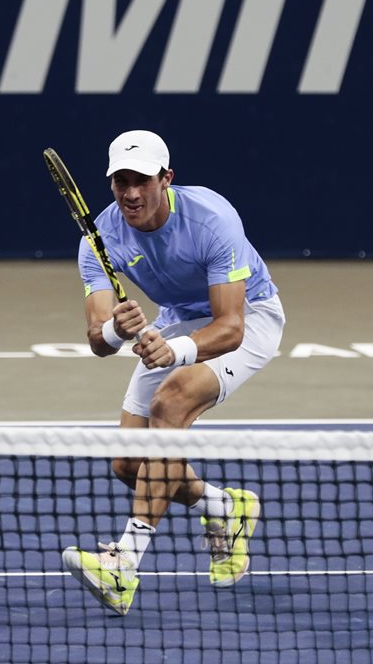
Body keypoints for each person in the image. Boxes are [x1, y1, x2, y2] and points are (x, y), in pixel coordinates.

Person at [61, 129, 285, 615]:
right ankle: (225, 509)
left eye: (142, 180)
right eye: (121, 181)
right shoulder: (99, 239)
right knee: (129, 465)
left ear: (166, 179)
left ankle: (123, 565)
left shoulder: (211, 220)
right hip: (178, 319)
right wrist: (117, 330)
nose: (131, 193)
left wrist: (176, 350)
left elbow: (230, 327)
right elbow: (98, 341)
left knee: (172, 400)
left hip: (250, 316)